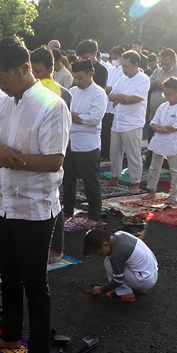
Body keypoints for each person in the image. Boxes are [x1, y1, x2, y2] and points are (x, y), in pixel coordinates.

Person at [0, 36, 71, 353]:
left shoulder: (51, 104)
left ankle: (38, 350)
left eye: (4, 79)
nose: (1, 86)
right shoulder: (4, 102)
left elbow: (53, 161)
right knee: (9, 276)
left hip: (34, 209)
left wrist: (9, 157)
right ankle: (11, 334)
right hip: (3, 205)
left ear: (25, 68)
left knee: (35, 282)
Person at [58, 58, 108, 257]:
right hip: (71, 141)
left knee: (90, 180)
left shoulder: (99, 93)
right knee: (68, 178)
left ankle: (94, 214)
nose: (77, 81)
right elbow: (66, 115)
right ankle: (69, 210)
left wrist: (75, 116)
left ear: (90, 74)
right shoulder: (73, 92)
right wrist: (75, 116)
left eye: (80, 77)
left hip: (88, 144)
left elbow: (94, 118)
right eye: (75, 77)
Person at [105, 50, 151, 190]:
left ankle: (135, 182)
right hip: (118, 121)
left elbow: (134, 99)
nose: (124, 69)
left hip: (132, 123)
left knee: (133, 154)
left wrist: (120, 98)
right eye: (123, 66)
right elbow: (111, 95)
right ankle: (114, 178)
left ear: (136, 64)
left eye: (127, 66)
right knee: (115, 153)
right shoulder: (122, 79)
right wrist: (121, 97)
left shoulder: (143, 79)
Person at [84, 228, 158, 303]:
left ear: (105, 244)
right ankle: (134, 286)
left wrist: (100, 289)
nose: (101, 256)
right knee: (122, 262)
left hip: (145, 281)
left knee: (108, 261)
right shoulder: (120, 234)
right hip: (152, 273)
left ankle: (125, 293)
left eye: (100, 253)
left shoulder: (117, 254)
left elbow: (118, 280)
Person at [143, 77, 177, 203]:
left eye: (169, 94)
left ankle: (173, 195)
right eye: (165, 93)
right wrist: (161, 128)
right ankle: (151, 190)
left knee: (174, 169)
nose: (166, 96)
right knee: (154, 167)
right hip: (159, 140)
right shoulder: (163, 106)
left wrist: (161, 128)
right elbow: (153, 123)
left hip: (172, 141)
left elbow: (176, 127)